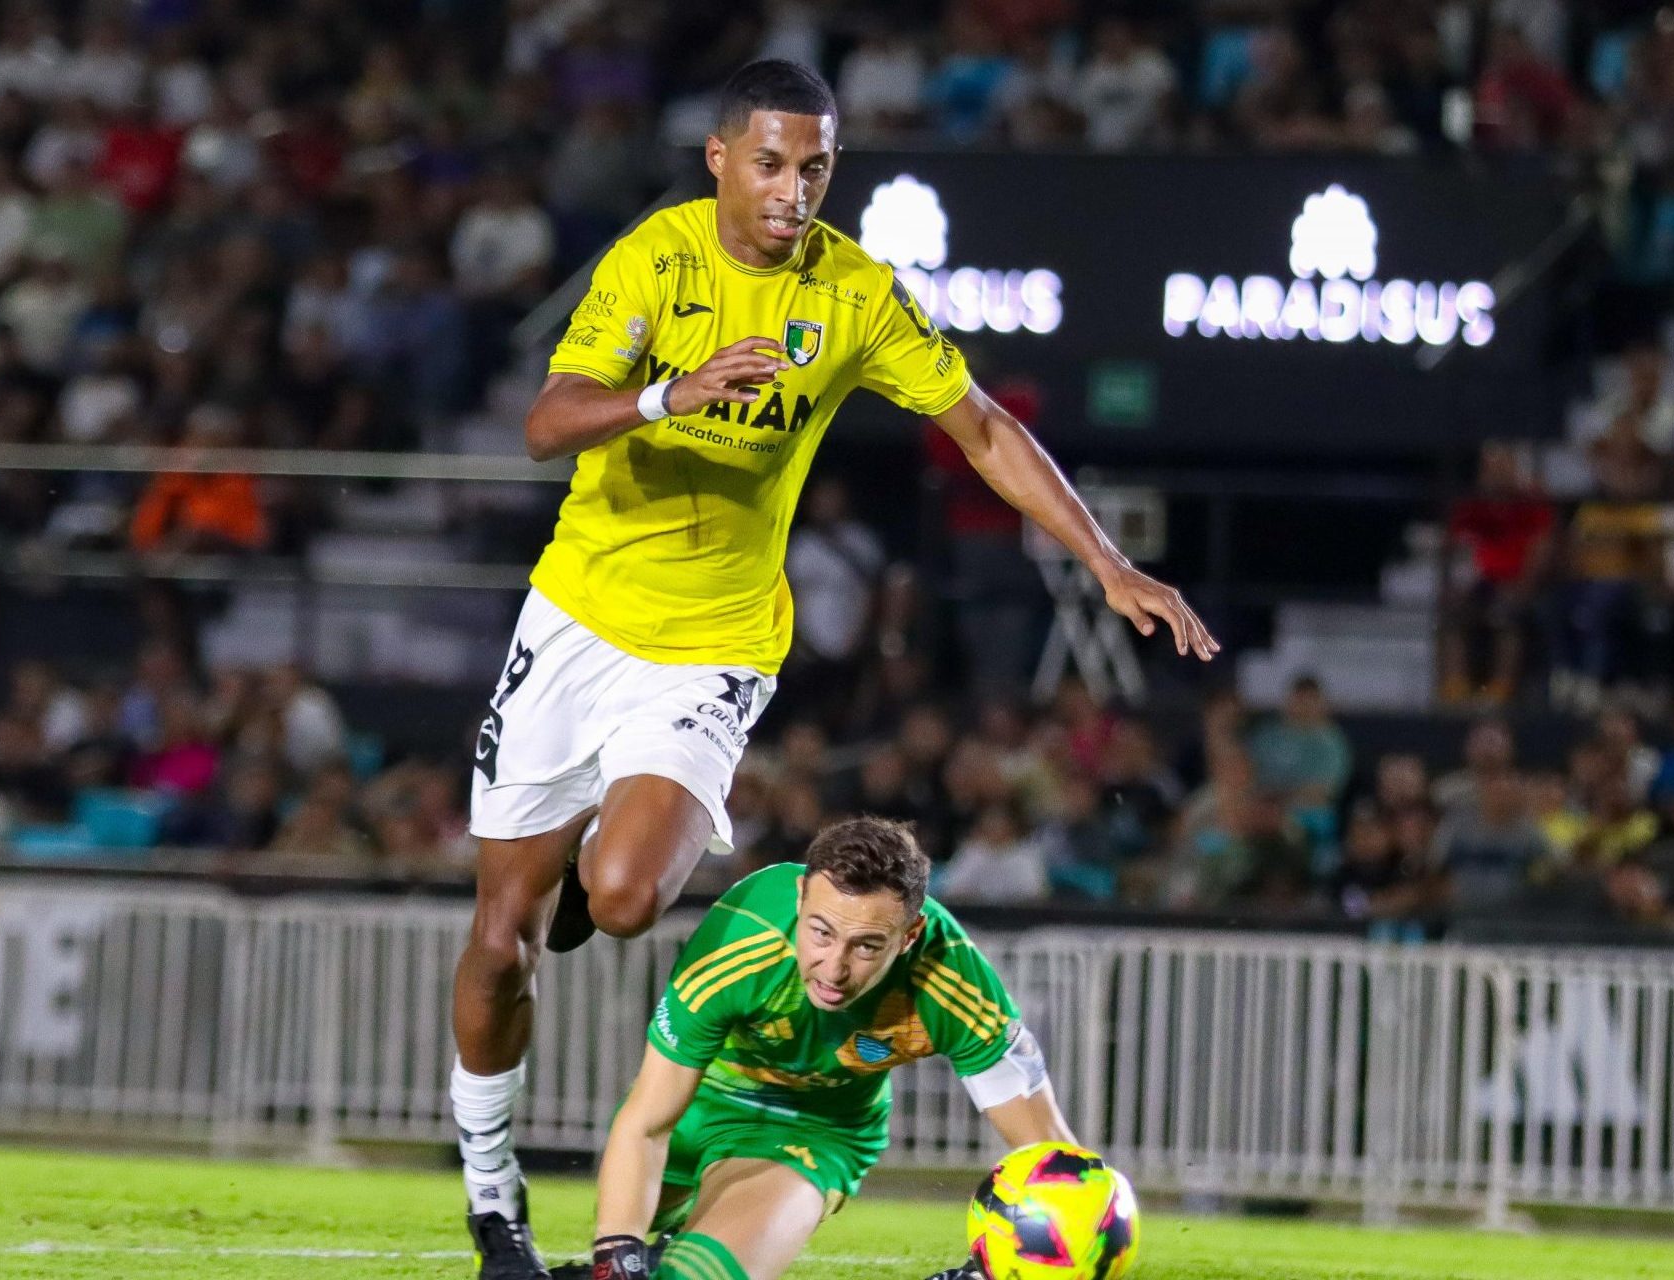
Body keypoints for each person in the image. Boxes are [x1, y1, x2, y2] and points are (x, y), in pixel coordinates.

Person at [450, 59, 1214, 1275]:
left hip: (716, 640)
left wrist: (1105, 560)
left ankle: (602, 857)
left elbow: (981, 426)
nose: (791, 189)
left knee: (628, 897)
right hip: (577, 620)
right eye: (769, 162)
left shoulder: (853, 293)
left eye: (814, 167)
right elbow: (547, 421)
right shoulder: (653, 261)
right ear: (718, 158)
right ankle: (494, 1200)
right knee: (501, 940)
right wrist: (670, 393)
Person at [565, 818, 1074, 1280]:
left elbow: (1056, 1165)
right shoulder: (741, 935)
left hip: (814, 1132)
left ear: (910, 935)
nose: (834, 969)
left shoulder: (951, 975)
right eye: (821, 933)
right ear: (799, 898)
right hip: (692, 1107)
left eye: (867, 945)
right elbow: (647, 1123)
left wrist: (1008, 1265)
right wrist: (617, 1256)